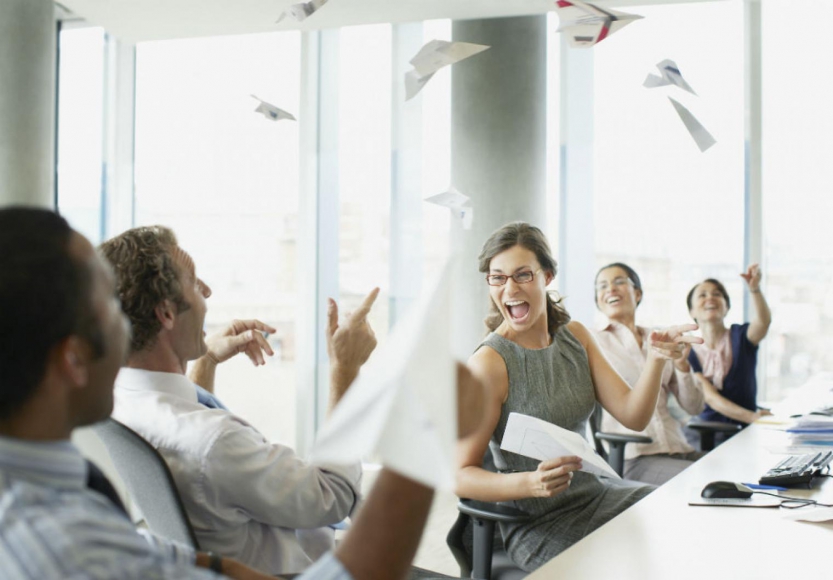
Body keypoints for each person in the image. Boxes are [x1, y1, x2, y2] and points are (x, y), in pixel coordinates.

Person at [0, 206, 486, 580]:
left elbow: (177, 550)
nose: (123, 320)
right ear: (73, 358)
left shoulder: (120, 413)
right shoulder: (60, 545)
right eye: (106, 303)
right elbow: (334, 497)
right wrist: (412, 420)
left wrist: (205, 361)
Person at [99, 226, 378, 575]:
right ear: (167, 313)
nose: (208, 291)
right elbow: (332, 497)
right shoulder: (215, 442)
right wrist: (346, 369)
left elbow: (196, 457)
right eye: (195, 282)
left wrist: (206, 359)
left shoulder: (120, 399)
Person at [458, 222, 702, 572]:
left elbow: (633, 415)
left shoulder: (576, 336)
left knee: (682, 526)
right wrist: (529, 482)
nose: (509, 288)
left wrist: (656, 358)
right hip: (538, 523)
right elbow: (460, 474)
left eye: (523, 275)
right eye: (498, 278)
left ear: (547, 276)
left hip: (598, 495)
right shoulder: (489, 364)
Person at [593, 263, 705, 485]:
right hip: (635, 457)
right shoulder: (593, 343)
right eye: (602, 286)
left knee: (734, 471)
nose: (610, 289)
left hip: (679, 447)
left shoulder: (659, 339)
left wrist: (682, 365)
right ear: (598, 301)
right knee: (704, 482)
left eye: (619, 282)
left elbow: (695, 407)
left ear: (637, 293)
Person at [685, 265, 772, 443]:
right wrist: (753, 417)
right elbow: (710, 397)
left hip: (745, 431)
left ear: (727, 307)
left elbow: (763, 322)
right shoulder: (689, 350)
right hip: (706, 434)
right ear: (692, 311)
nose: (710, 297)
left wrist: (754, 290)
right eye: (702, 295)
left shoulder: (741, 336)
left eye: (717, 294)